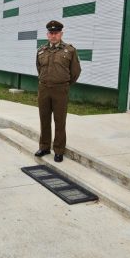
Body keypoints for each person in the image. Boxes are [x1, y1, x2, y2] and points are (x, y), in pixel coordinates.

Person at [34, 20, 81, 163]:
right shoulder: (41, 51)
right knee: (44, 119)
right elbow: (39, 69)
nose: (53, 36)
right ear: (47, 35)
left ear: (61, 34)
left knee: (60, 121)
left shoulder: (70, 50)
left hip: (61, 90)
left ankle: (59, 150)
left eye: (56, 33)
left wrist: (64, 84)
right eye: (51, 33)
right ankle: (44, 147)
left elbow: (75, 72)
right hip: (44, 89)